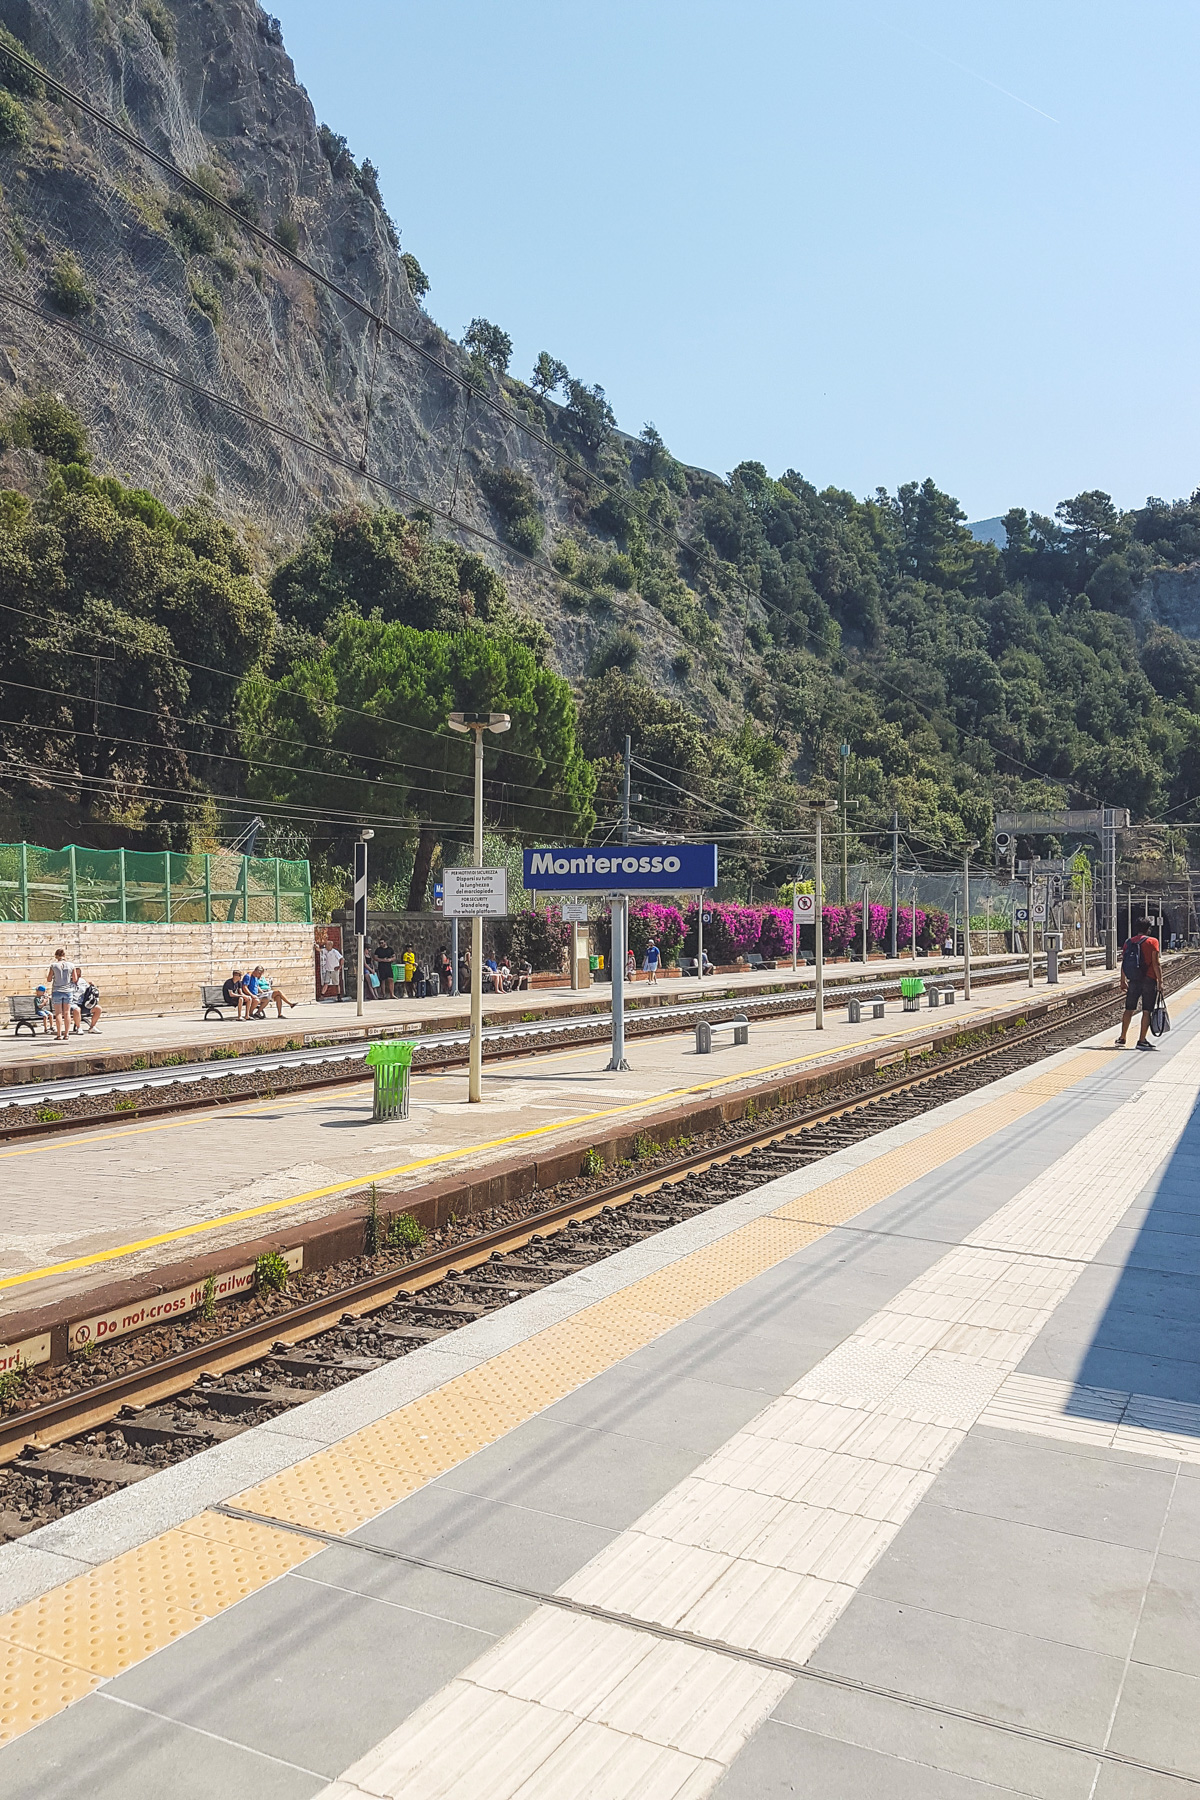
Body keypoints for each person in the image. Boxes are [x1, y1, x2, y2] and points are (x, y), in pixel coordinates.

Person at [1116, 916, 1162, 1051]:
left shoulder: (1128, 942)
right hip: (1149, 980)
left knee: (1129, 1009)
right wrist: (1160, 981)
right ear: (1148, 929)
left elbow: (1124, 963)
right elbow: (1156, 963)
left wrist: (1122, 980)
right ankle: (1141, 1040)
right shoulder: (1153, 941)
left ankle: (1122, 1037)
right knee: (1147, 1010)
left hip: (1134, 980)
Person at [46, 947, 73, 1040]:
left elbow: (49, 979)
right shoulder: (71, 965)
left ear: (56, 956)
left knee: (58, 1013)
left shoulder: (53, 965)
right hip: (68, 990)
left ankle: (59, 1034)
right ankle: (67, 1034)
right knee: (67, 1012)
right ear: (64, 955)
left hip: (57, 990)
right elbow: (75, 979)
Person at [70, 966, 102, 1033]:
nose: (76, 975)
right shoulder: (67, 983)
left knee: (98, 1009)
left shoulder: (82, 981)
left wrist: (92, 985)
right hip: (72, 1003)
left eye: (78, 974)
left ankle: (92, 1027)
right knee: (77, 1009)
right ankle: (78, 1028)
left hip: (83, 1003)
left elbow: (89, 990)